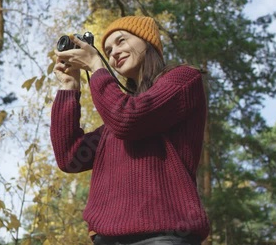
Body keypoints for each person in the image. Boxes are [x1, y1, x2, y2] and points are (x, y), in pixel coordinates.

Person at [51, 16, 210, 245]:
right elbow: (70, 157)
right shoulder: (116, 123)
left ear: (147, 41)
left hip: (164, 236)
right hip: (106, 240)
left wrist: (96, 66)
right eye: (107, 50)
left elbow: (128, 118)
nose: (114, 52)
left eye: (121, 41)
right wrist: (69, 86)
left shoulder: (183, 80)